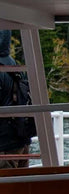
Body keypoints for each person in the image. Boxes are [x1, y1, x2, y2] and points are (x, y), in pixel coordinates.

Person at [0, 30, 32, 168]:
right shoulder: (14, 65)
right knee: (23, 186)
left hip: (4, 144)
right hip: (21, 140)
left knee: (6, 187)